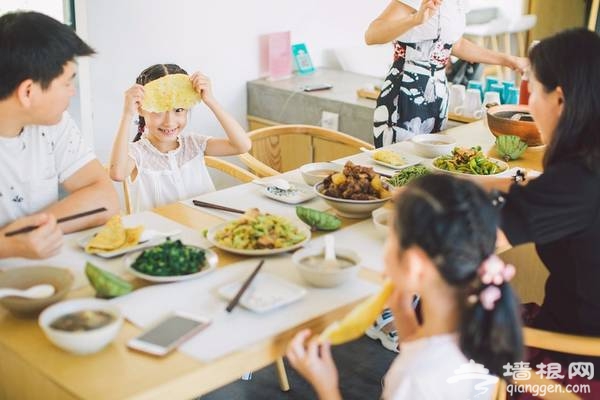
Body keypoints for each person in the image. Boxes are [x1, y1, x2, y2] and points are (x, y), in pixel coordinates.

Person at [287, 174, 523, 399]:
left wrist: (326, 386)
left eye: (391, 236)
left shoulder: (415, 377)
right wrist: (402, 312)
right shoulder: (485, 332)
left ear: (414, 265)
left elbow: (421, 372)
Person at [486, 28, 600, 396]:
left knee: (439, 321)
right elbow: (537, 197)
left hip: (577, 356)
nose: (528, 103)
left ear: (561, 100)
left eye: (532, 91)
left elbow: (481, 234)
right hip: (578, 329)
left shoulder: (578, 179)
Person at [0, 11, 119, 260]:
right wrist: (7, 246)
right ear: (28, 92)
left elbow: (105, 198)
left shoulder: (52, 124)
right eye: (66, 83)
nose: (72, 93)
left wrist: (34, 230)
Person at [366, 0, 529, 147]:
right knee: (398, 166)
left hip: (438, 94)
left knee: (428, 169)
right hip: (405, 91)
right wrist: (414, 20)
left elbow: (455, 45)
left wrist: (509, 60)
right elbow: (372, 35)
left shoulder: (457, 3)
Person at [109, 64, 251, 212]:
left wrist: (211, 100)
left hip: (204, 226)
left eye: (179, 110)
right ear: (141, 109)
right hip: (161, 233)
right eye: (159, 111)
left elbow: (242, 145)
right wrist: (127, 113)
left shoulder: (194, 143)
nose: (169, 122)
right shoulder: (137, 153)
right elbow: (117, 173)